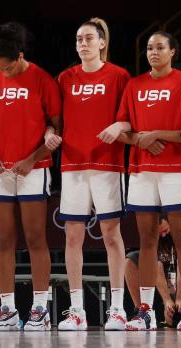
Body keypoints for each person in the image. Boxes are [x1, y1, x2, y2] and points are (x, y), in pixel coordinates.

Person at [105, 31, 181, 330]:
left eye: (160, 47)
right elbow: (123, 131)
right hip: (142, 169)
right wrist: (142, 141)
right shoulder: (135, 85)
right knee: (146, 241)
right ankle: (145, 309)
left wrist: (158, 135)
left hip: (176, 168)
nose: (154, 52)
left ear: (173, 51)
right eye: (149, 48)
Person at [0, 22, 61, 331]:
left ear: (20, 56)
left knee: (35, 239)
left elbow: (56, 128)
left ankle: (39, 308)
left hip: (34, 169)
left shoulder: (42, 79)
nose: (4, 73)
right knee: (4, 240)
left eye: (8, 67)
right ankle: (7, 308)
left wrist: (32, 159)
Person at [56, 17, 131, 331]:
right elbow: (54, 118)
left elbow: (131, 118)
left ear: (102, 43)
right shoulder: (65, 78)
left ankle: (117, 309)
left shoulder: (119, 76)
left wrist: (120, 125)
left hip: (107, 165)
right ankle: (76, 311)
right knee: (72, 236)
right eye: (78, 39)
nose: (82, 43)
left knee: (111, 235)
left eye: (88, 38)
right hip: (73, 165)